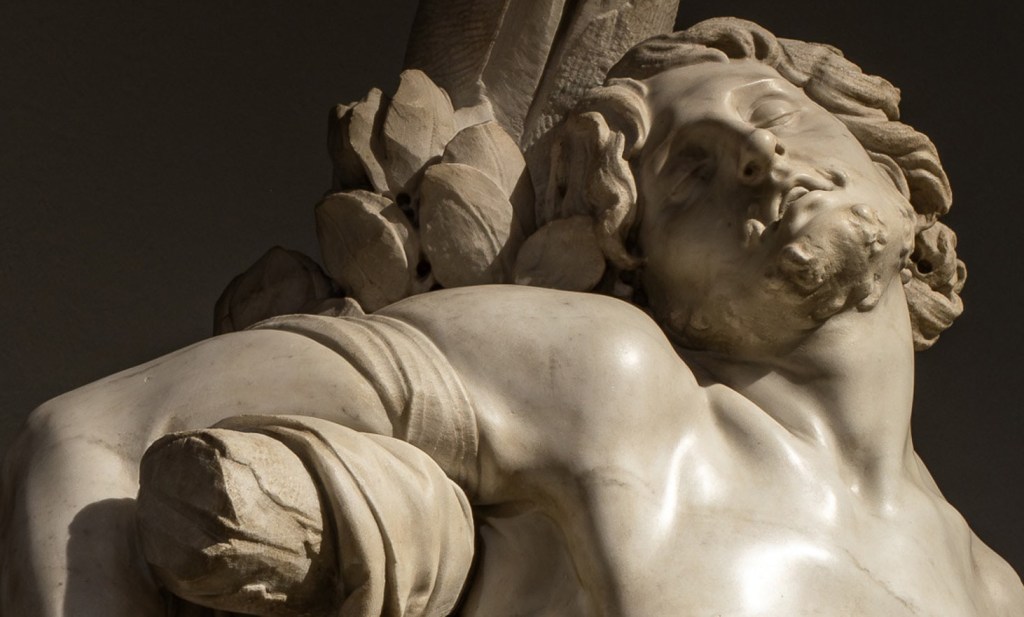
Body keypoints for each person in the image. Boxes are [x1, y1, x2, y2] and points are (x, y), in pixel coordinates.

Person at [2, 17, 1021, 616]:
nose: (759, 160)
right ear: (644, 272)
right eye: (688, 174)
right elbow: (90, 432)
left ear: (896, 175)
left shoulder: (995, 590)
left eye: (776, 114)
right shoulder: (614, 383)